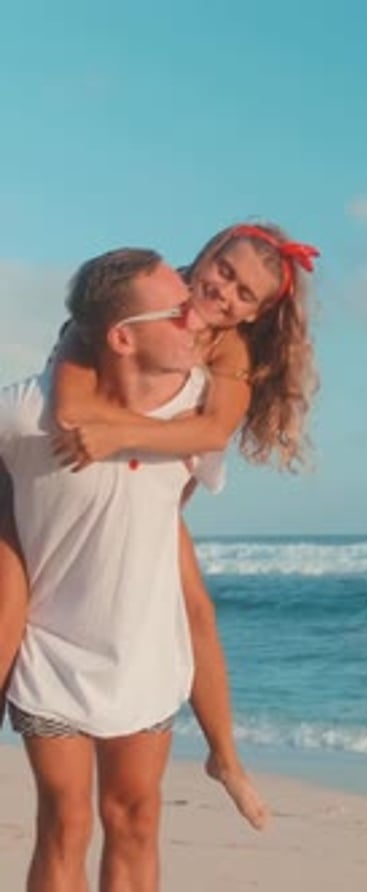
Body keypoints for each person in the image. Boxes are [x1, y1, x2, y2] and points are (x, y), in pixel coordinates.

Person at [0, 222, 319, 838]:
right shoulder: (134, 305)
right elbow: (69, 409)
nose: (223, 292)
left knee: (195, 610)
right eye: (222, 270)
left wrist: (123, 436)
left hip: (148, 503)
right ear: (203, 255)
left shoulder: (227, 349)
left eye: (244, 295)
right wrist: (122, 427)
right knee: (12, 594)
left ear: (254, 314)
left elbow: (210, 433)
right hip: (37, 492)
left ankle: (224, 756)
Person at [0, 248, 230, 892]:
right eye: (179, 312)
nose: (197, 321)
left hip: (146, 655)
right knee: (65, 823)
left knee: (134, 820)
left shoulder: (197, 412)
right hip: (52, 656)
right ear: (122, 337)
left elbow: (168, 506)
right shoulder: (26, 412)